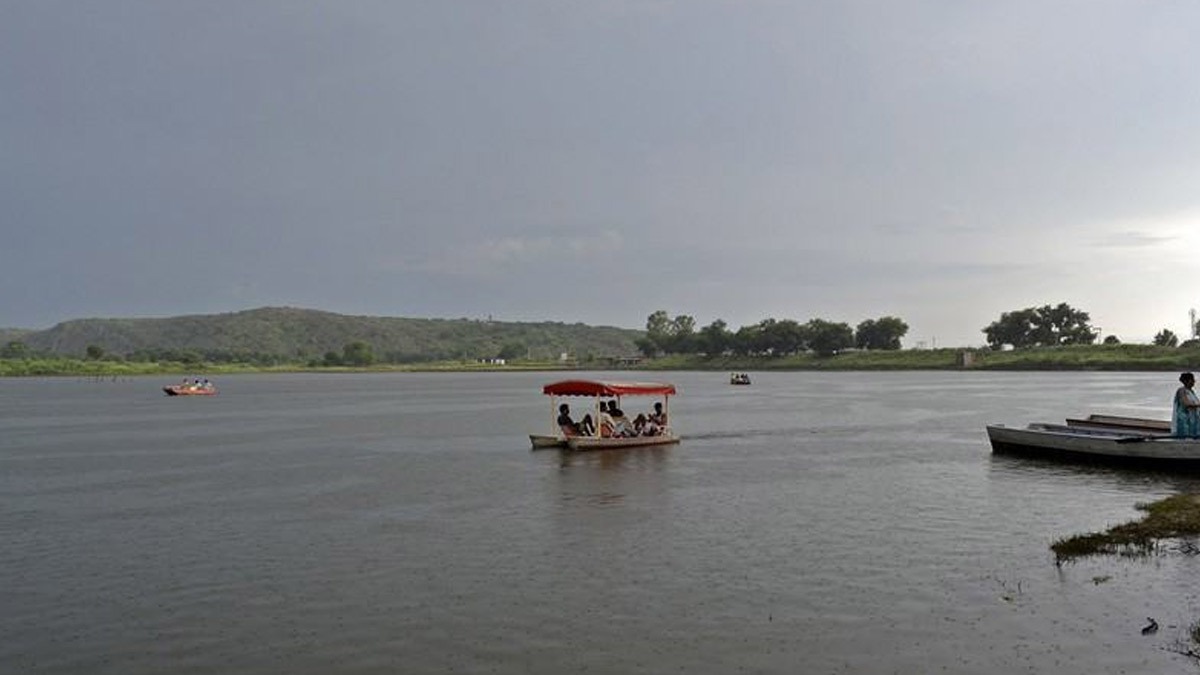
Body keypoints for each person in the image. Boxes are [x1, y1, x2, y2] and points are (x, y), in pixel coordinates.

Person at [1173, 372, 1200, 438]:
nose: (1194, 382)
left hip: (1192, 417)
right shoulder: (1182, 390)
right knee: (1185, 434)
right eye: (1192, 380)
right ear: (1186, 381)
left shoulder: (1191, 391)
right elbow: (1186, 404)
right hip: (1184, 417)